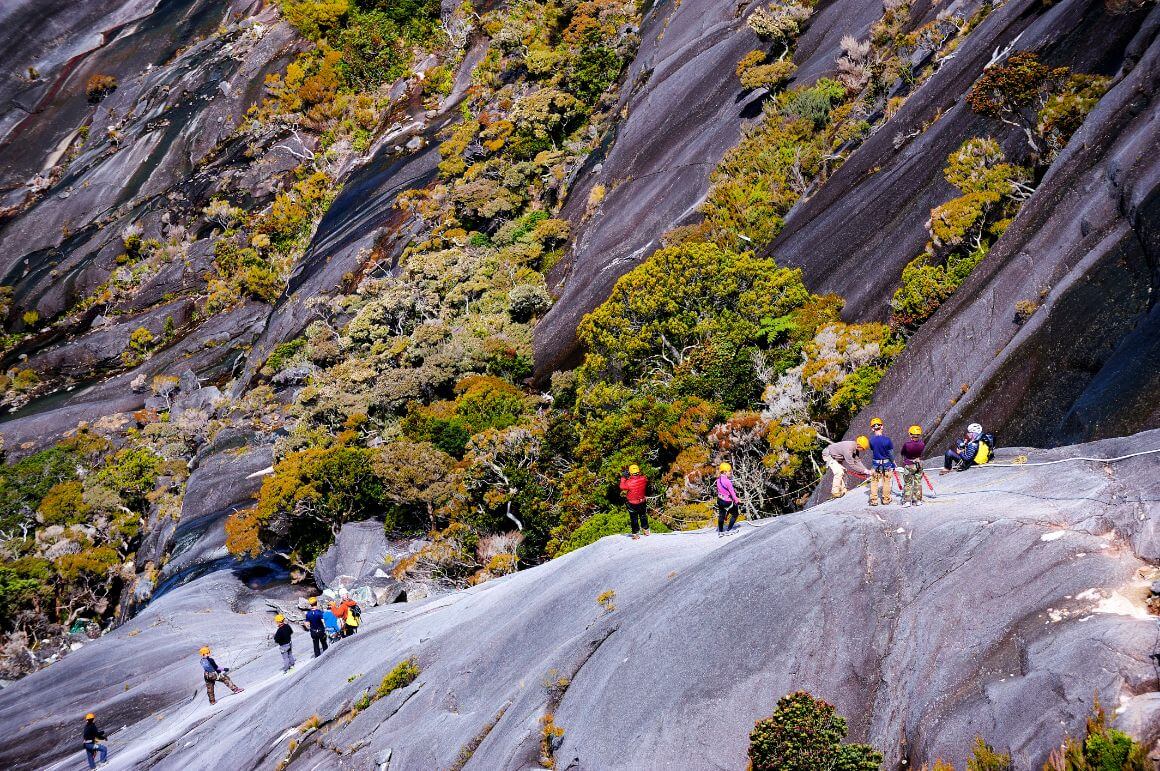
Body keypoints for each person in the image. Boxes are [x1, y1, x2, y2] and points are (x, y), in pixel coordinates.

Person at [867, 417, 895, 506]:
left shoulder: (871, 440)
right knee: (886, 481)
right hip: (886, 463)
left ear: (872, 428)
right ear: (882, 427)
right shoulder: (887, 440)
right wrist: (893, 462)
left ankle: (874, 500)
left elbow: (873, 449)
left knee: (874, 482)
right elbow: (890, 453)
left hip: (876, 464)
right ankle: (886, 499)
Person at [618, 464, 650, 540]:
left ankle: (636, 534)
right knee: (643, 516)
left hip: (632, 503)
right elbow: (643, 479)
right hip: (642, 501)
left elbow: (622, 487)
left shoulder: (628, 482)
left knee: (634, 518)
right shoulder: (644, 479)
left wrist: (623, 477)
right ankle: (646, 531)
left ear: (630, 472)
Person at [899, 425, 925, 507]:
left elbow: (902, 452)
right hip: (918, 464)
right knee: (918, 482)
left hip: (909, 464)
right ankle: (918, 500)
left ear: (910, 434)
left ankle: (907, 501)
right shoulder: (922, 444)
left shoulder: (907, 444)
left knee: (908, 483)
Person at [716, 462, 741, 536]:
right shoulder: (727, 482)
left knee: (721, 515)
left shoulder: (718, 480)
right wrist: (737, 500)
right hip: (726, 502)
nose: (731, 472)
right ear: (724, 472)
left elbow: (722, 491)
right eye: (729, 471)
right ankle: (728, 530)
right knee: (735, 514)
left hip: (719, 500)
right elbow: (732, 493)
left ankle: (720, 531)